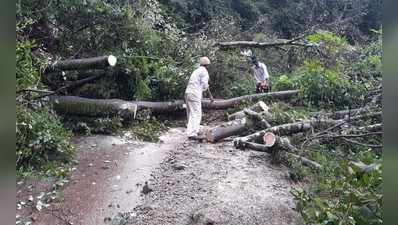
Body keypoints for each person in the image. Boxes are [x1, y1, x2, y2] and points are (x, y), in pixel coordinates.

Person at [185, 57, 214, 140]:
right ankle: (192, 134)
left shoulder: (196, 71)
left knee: (191, 113)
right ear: (207, 65)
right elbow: (205, 85)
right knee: (196, 113)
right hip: (194, 94)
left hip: (188, 93)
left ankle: (193, 131)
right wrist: (210, 96)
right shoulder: (204, 71)